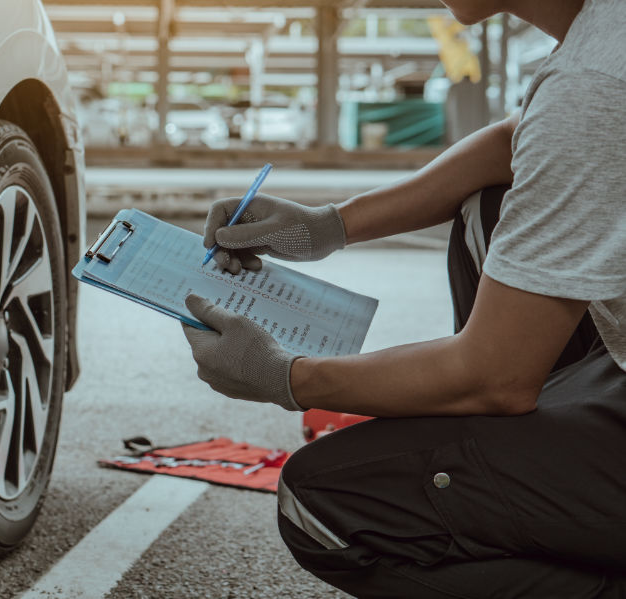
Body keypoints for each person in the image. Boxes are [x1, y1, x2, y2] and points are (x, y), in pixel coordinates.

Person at [181, 0, 626, 596]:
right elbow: (512, 145)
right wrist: (326, 227)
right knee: (488, 207)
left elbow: (493, 379)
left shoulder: (594, 79)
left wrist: (284, 376)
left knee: (324, 501)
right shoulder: (603, 35)